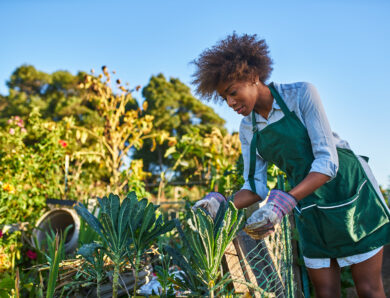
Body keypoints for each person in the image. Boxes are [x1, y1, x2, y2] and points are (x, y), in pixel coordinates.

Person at [191, 33, 390, 297]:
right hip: (307, 201)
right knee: (325, 291)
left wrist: (284, 202)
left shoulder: (301, 94)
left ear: (251, 76)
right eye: (223, 98)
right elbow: (255, 186)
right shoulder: (248, 127)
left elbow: (327, 162)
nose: (229, 103)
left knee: (367, 288)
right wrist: (222, 204)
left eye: (232, 92)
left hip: (348, 190)